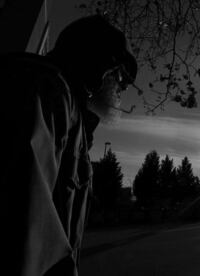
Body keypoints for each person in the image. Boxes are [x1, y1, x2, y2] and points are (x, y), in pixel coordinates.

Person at [0, 15, 137, 276]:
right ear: (102, 68)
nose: (121, 90)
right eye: (121, 78)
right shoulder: (46, 92)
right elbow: (24, 233)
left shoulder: (71, 118)